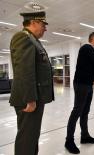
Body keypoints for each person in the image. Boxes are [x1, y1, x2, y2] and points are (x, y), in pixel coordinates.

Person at [9, 11, 54, 155]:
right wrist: (30, 99)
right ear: (33, 22)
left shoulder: (33, 39)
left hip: (34, 97)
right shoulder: (22, 37)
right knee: (27, 139)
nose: (45, 28)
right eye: (43, 24)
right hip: (29, 100)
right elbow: (24, 71)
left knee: (32, 136)